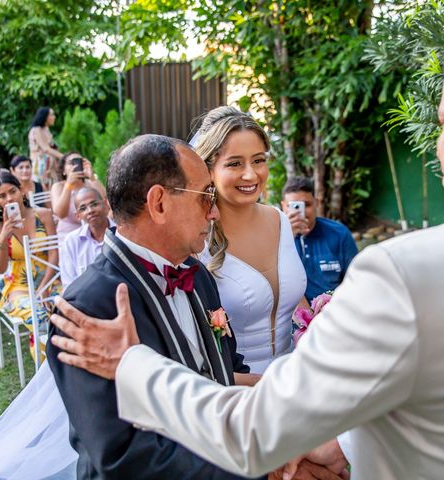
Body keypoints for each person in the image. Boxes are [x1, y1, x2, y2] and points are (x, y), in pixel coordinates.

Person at [51, 13, 444, 480]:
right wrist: (340, 445)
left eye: (443, 119)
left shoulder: (407, 273)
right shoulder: (92, 302)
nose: (436, 144)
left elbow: (253, 427)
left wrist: (131, 363)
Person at [48, 134, 335, 480]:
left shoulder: (198, 276)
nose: (214, 212)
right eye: (205, 196)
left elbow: (226, 371)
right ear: (159, 203)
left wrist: (280, 440)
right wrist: (262, 468)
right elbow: (126, 459)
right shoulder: (88, 308)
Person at [194, 106, 306, 374]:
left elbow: (292, 300)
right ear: (209, 169)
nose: (251, 175)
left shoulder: (279, 220)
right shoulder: (196, 240)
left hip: (295, 374)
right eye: (234, 163)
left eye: (258, 160)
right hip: (237, 389)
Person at [0, 171, 59, 358]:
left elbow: (54, 254)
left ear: (22, 191)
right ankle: (48, 366)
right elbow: (0, 268)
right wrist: (3, 237)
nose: (9, 198)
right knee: (39, 317)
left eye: (12, 191)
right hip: (18, 286)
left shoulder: (42, 215)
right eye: (2, 196)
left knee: (68, 309)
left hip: (50, 280)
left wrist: (43, 288)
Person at [281, 176, 357, 301]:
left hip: (333, 312)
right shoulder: (274, 238)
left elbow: (355, 280)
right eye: (294, 206)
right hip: (292, 317)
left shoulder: (339, 233)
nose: (302, 212)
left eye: (307, 204)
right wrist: (286, 238)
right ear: (283, 206)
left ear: (316, 202)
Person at [59, 187, 112, 289]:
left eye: (94, 204)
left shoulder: (121, 233)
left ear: (105, 205)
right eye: (83, 208)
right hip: (85, 301)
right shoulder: (71, 242)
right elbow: (69, 284)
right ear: (78, 216)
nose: (90, 211)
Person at [51, 151, 106, 240]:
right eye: (71, 163)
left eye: (79, 161)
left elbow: (105, 203)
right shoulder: (58, 186)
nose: (75, 166)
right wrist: (69, 185)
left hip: (95, 233)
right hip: (68, 235)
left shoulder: (91, 182)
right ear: (63, 171)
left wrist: (91, 176)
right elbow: (60, 214)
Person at [28, 107, 62, 187]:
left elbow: (52, 148)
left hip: (50, 167)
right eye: (52, 115)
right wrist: (63, 157)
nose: (54, 117)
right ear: (45, 117)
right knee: (43, 190)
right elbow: (46, 149)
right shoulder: (36, 130)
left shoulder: (46, 129)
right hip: (40, 166)